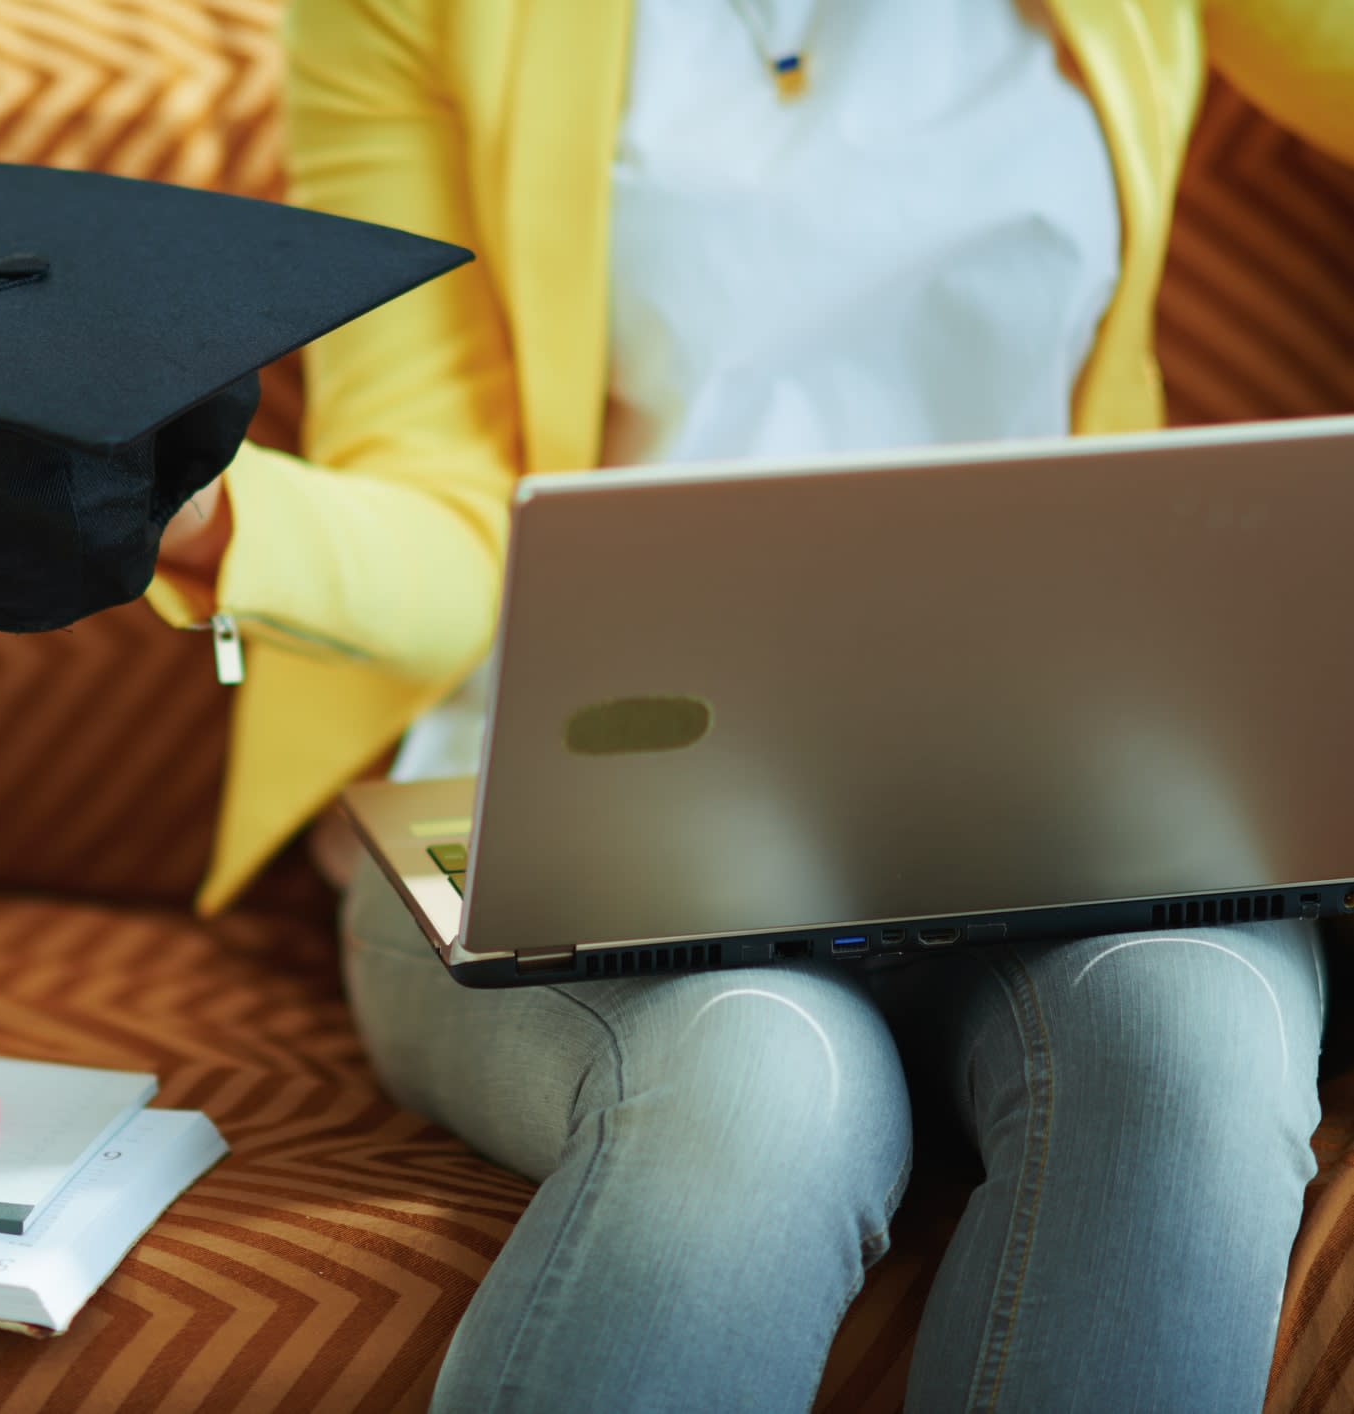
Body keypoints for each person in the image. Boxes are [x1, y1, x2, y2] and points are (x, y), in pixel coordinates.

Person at [149, 0, 1354, 1408]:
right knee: (768, 1081)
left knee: (1190, 1043)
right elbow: (452, 507)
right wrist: (208, 522)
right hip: (565, 793)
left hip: (1055, 790)